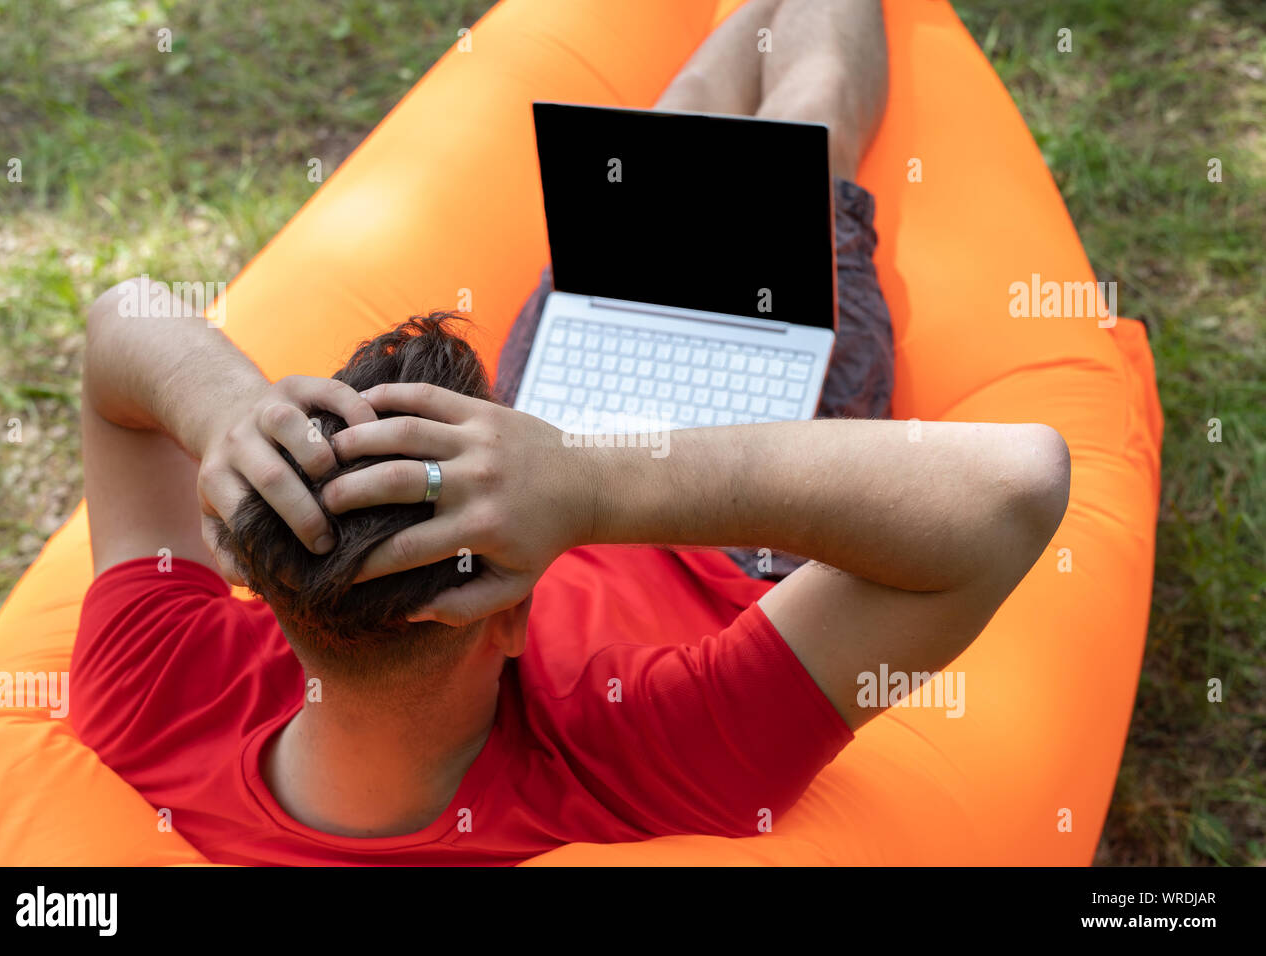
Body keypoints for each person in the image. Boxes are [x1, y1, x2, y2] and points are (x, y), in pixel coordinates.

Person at [71, 0, 1070, 865]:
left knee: (674, 119)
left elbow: (121, 313)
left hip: (545, 436)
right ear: (508, 619)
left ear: (263, 577)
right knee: (803, 125)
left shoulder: (162, 694)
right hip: (732, 493)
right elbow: (1016, 482)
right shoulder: (635, 752)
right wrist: (586, 486)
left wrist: (226, 412)